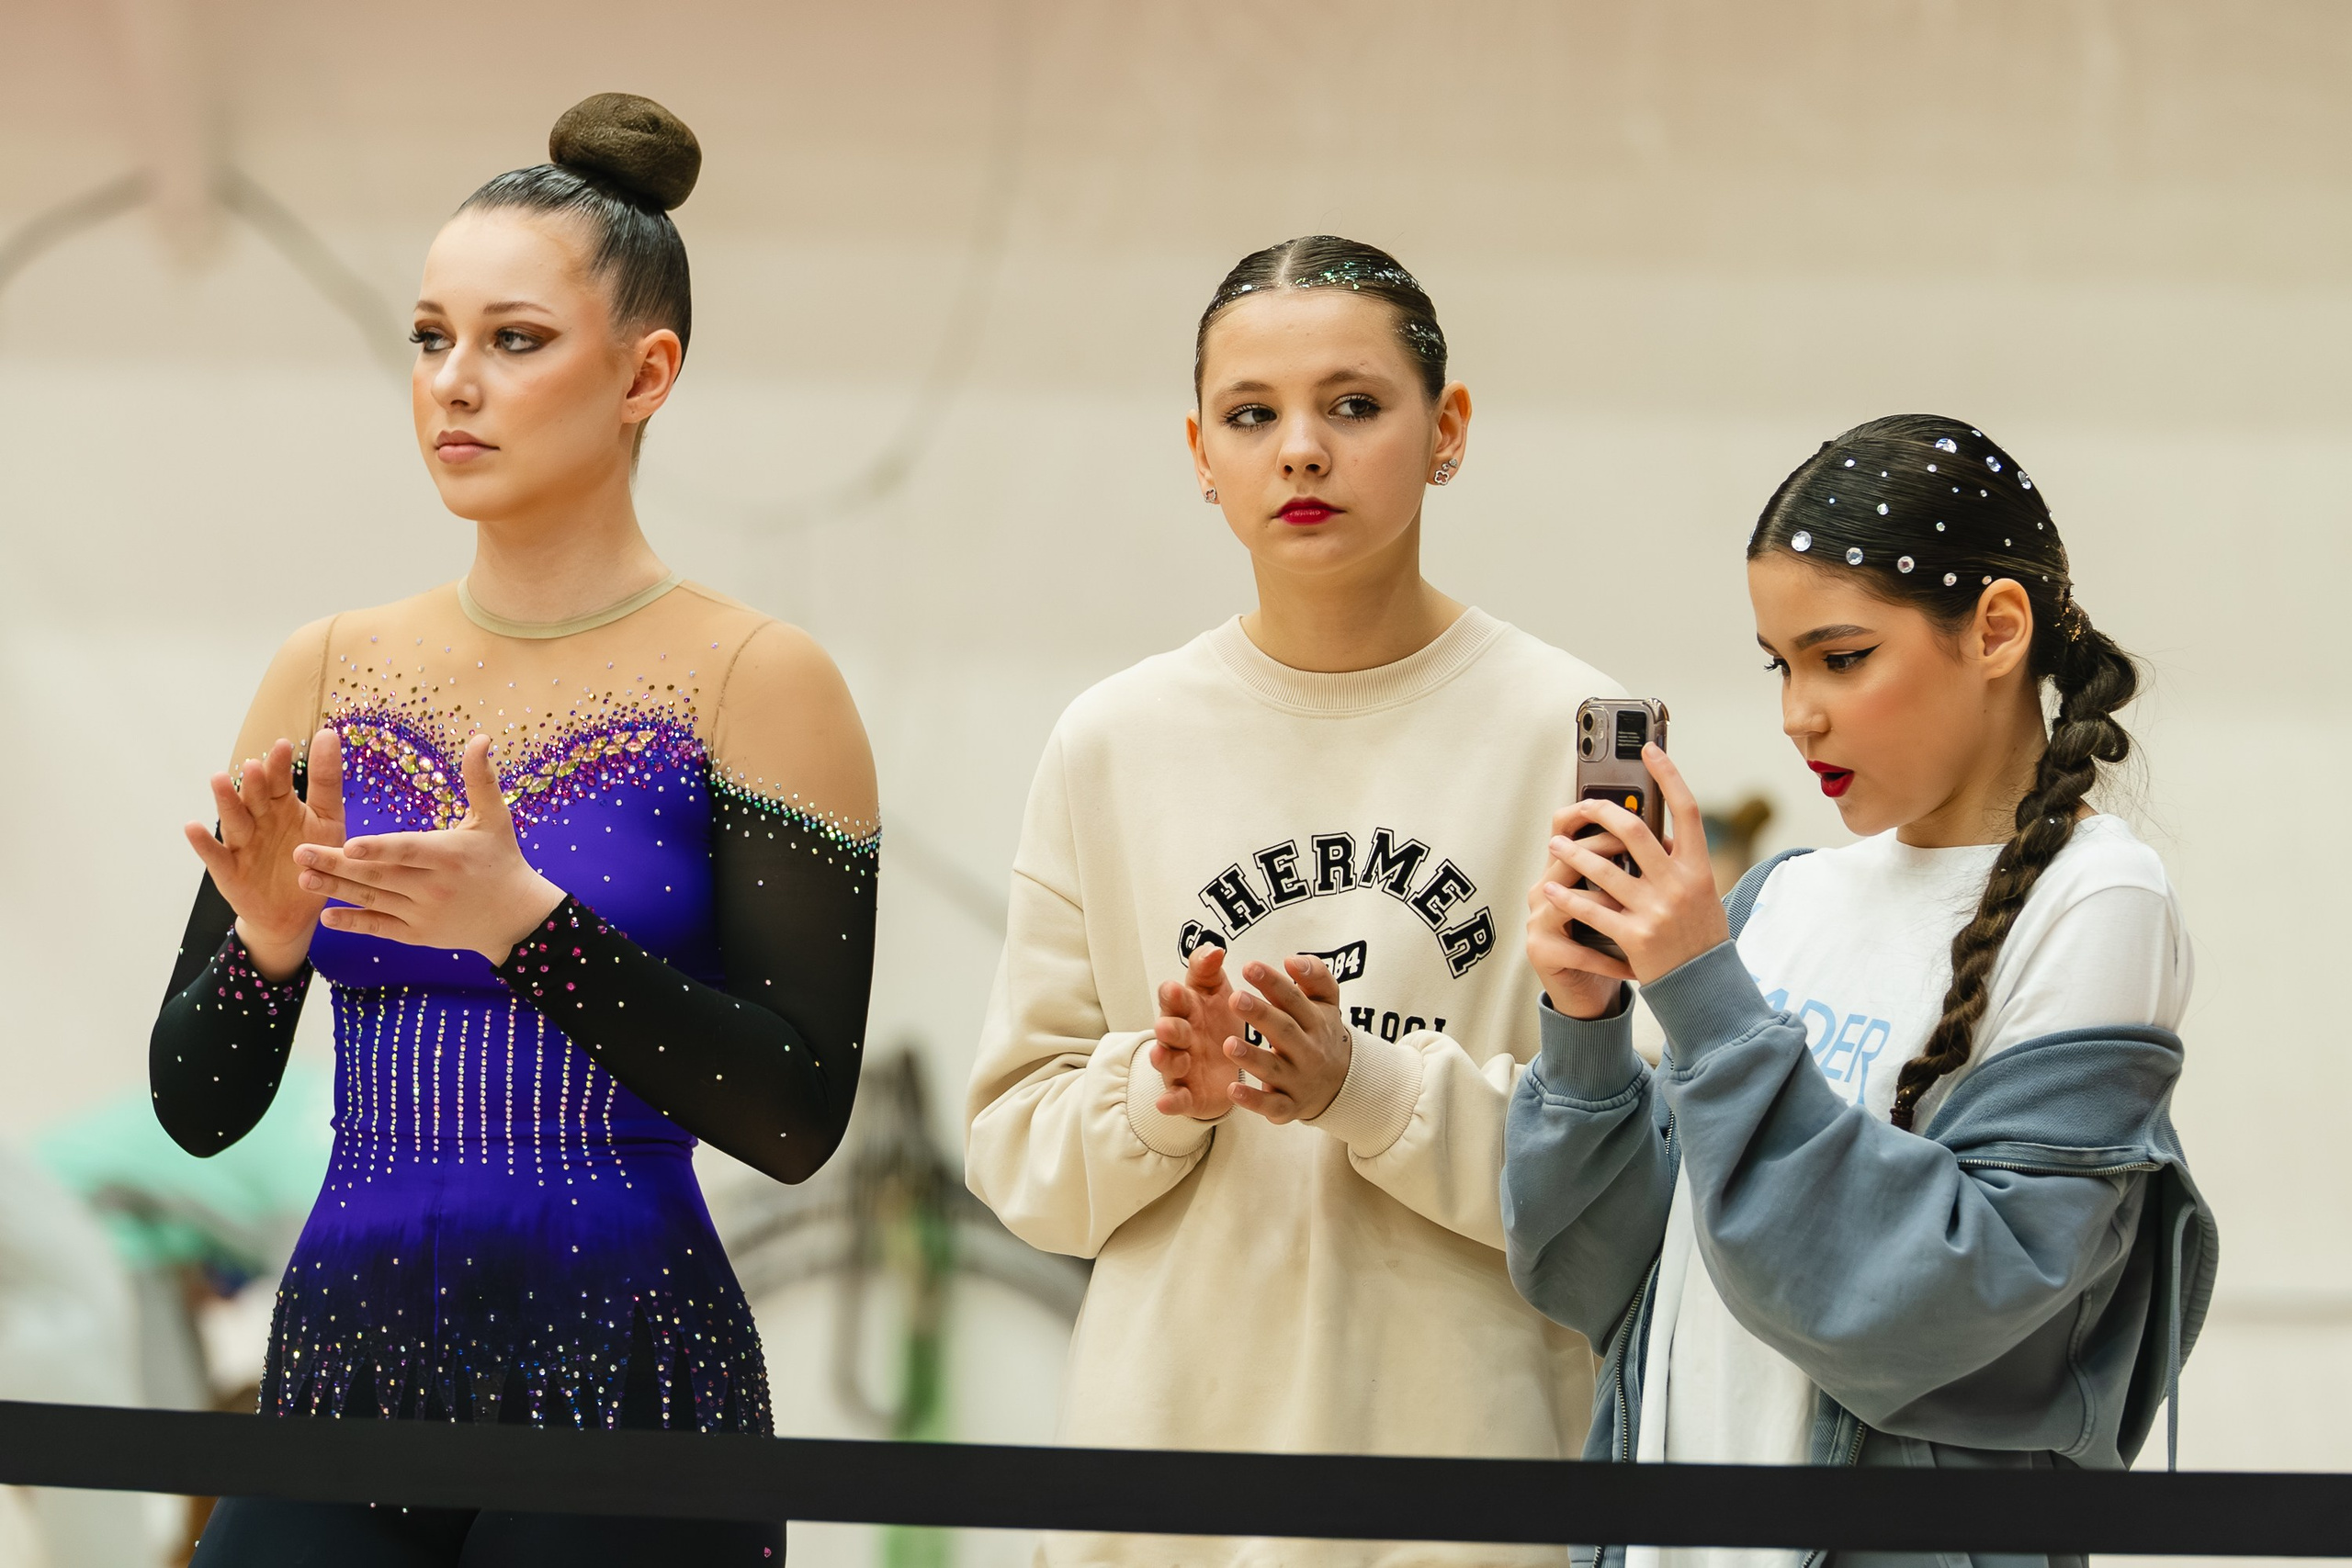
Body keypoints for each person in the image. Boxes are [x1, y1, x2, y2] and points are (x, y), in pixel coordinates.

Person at [154, 93, 877, 1565]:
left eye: (514, 339)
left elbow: (798, 1117)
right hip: (345, 1369)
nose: (454, 385)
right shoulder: (326, 664)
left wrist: (529, 929)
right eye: (430, 338)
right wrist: (272, 949)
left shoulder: (762, 679)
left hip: (629, 1382)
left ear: (645, 372)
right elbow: (198, 1105)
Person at [965, 235, 1620, 1567]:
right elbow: (1018, 1153)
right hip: (1158, 1498)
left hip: (1472, 1506)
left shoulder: (1581, 734)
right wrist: (1165, 1087)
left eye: (1355, 404)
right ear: (1199, 452)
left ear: (1449, 431)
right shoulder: (1112, 737)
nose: (1301, 451)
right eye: (1252, 415)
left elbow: (1629, 1180)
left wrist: (1359, 1086)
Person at [1502, 414, 2217, 1568]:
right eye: (1778, 666)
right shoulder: (1784, 895)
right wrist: (1586, 1028)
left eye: (1840, 658)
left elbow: (1943, 1305)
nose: (1798, 714)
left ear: (1995, 630)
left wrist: (1700, 988)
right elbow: (1601, 1279)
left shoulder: (2099, 900)